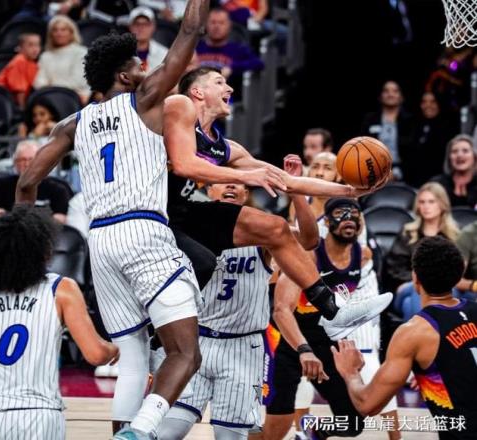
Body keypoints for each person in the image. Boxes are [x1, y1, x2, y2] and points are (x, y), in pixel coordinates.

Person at [13, 1, 275, 437]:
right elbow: (189, 33)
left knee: (133, 360)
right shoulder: (146, 98)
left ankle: (124, 433)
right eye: (139, 64)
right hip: (142, 231)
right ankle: (141, 432)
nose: (146, 68)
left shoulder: (71, 124)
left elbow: (26, 182)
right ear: (124, 76)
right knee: (186, 353)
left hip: (100, 242)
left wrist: (24, 249)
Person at [164, 65, 392, 343]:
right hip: (150, 214)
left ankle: (332, 311)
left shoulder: (225, 147)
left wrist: (350, 191)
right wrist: (246, 176)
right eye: (219, 82)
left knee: (276, 227)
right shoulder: (177, 113)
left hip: (180, 213)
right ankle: (159, 327)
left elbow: (288, 181)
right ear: (198, 92)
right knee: (204, 263)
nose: (230, 88)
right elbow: (184, 164)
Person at [157, 155, 319, 440]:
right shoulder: (189, 228)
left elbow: (308, 240)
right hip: (195, 340)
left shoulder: (264, 232)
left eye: (237, 182)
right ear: (210, 188)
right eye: (224, 180)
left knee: (229, 435)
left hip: (242, 346)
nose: (231, 186)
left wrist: (295, 191)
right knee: (168, 431)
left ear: (246, 191)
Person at [0, 205, 119, 439]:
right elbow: (96, 355)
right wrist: (114, 349)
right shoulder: (62, 289)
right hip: (39, 416)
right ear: (44, 251)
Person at [261, 198, 394, 440]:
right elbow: (281, 311)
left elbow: (351, 306)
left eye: (354, 213)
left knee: (353, 422)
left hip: (325, 342)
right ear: (327, 221)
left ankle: (312, 431)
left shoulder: (363, 255)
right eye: (341, 213)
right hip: (288, 341)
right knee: (275, 431)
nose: (349, 218)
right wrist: (303, 350)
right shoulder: (309, 255)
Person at [332, 236, 477, 440]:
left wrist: (351, 373)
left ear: (415, 278)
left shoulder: (414, 333)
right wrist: (437, 371)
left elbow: (367, 404)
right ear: (459, 273)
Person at [383, 182, 460, 321]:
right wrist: (418, 280)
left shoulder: (454, 236)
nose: (426, 206)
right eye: (422, 202)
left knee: (408, 305)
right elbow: (395, 268)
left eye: (431, 202)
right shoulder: (408, 233)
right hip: (409, 286)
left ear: (442, 204)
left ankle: (419, 332)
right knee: (419, 287)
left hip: (445, 289)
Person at [0, 140, 71, 223]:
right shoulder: (1, 185)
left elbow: (61, 218)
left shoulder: (58, 189)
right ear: (15, 163)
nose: (27, 164)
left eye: (31, 159)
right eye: (22, 160)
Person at [360, 80, 414, 180]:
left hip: (405, 174)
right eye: (386, 91)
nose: (390, 94)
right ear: (380, 96)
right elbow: (362, 147)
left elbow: (414, 152)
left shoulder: (411, 121)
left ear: (401, 97)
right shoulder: (370, 119)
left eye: (395, 91)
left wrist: (397, 173)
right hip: (372, 170)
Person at [196, 8, 264, 83]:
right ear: (206, 25)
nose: (216, 27)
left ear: (229, 26)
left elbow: (258, 63)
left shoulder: (238, 49)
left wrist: (232, 67)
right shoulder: (196, 48)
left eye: (221, 23)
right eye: (213, 22)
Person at [33, 15, 91, 104]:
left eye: (63, 30)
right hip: (49, 99)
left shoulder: (81, 52)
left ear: (71, 33)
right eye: (55, 30)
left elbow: (78, 81)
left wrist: (51, 86)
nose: (59, 33)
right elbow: (38, 82)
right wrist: (51, 89)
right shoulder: (45, 56)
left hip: (76, 99)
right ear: (50, 34)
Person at [404, 91, 458, 187]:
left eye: (433, 102)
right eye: (424, 102)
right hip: (413, 181)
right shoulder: (413, 125)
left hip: (439, 181)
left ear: (439, 104)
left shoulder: (448, 127)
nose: (428, 105)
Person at [0, 33, 41, 109]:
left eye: (37, 45)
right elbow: (20, 91)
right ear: (21, 48)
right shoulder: (20, 61)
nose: (35, 49)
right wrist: (23, 110)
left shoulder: (32, 63)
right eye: (30, 45)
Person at [430, 134, 477, 208]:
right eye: (454, 151)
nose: (459, 155)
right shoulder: (437, 184)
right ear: (449, 158)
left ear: (475, 157)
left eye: (465, 151)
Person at [128, 6, 169, 71]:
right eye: (137, 24)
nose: (141, 28)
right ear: (130, 27)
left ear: (153, 26)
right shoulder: (120, 54)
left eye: (146, 24)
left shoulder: (164, 54)